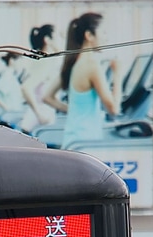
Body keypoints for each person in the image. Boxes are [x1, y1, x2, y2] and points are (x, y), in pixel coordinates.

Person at [43, 13, 122, 150]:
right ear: (89, 36)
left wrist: (73, 110)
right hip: (86, 143)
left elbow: (47, 97)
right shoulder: (92, 66)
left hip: (73, 141)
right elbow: (114, 109)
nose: (106, 37)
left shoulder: (73, 63)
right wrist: (118, 73)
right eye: (103, 32)